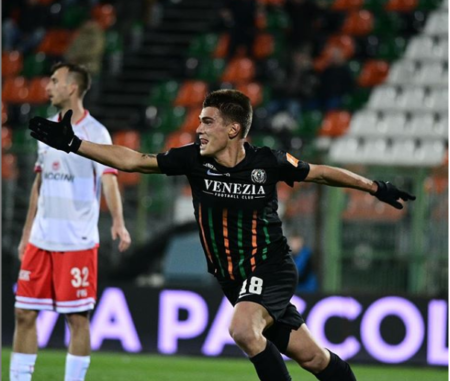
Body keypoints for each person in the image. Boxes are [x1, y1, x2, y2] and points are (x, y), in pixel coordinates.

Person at [28, 89, 415, 381]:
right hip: (233, 279)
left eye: (208, 122)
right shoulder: (193, 160)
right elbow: (135, 161)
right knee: (313, 358)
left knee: (242, 328)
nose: (198, 129)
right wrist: (74, 144)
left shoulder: (267, 162)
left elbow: (322, 173)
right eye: (200, 121)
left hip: (270, 266)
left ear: (233, 129)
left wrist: (375, 187)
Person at [11, 62, 131, 381]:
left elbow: (109, 180)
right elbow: (40, 183)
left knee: (77, 319)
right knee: (23, 313)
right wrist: (26, 234)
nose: (48, 86)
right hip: (41, 240)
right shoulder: (46, 128)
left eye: (54, 81)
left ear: (72, 87)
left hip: (77, 241)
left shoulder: (96, 132)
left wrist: (118, 222)